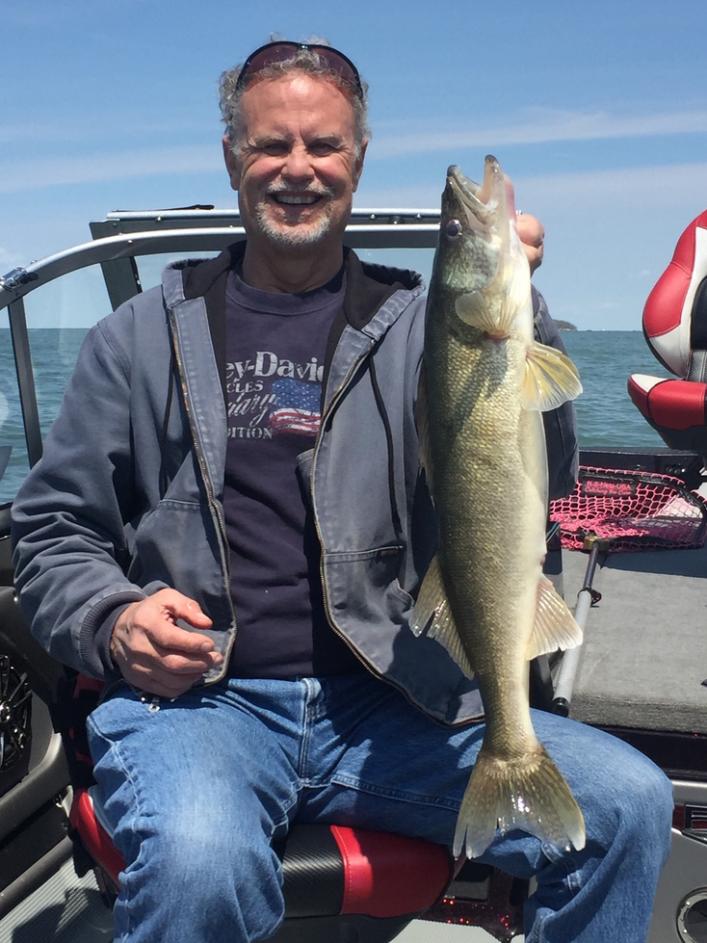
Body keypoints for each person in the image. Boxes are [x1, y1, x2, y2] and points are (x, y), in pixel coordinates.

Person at [11, 40, 672, 943]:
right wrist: (113, 617)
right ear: (232, 160)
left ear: (357, 160)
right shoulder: (135, 337)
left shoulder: (422, 328)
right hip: (204, 703)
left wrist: (527, 311)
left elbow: (542, 475)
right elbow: (54, 531)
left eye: (323, 145)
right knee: (199, 862)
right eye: (270, 144)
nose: (298, 168)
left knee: (627, 803)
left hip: (392, 701)